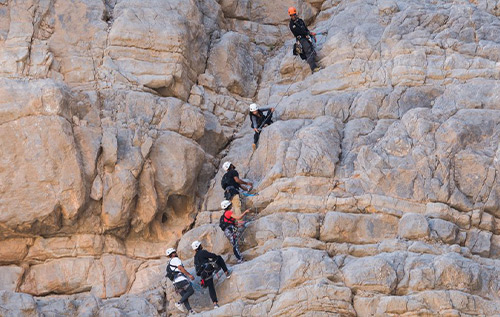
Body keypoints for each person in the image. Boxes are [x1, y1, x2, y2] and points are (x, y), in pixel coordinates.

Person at [192, 241, 232, 309]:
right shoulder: (203, 252)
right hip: (208, 269)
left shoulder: (195, 257)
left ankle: (215, 304)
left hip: (203, 275)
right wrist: (213, 259)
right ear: (199, 246)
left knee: (211, 287)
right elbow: (213, 256)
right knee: (219, 258)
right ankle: (226, 272)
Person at [288, 6, 319, 72]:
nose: (293, 16)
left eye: (294, 14)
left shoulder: (300, 21)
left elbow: (305, 28)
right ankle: (313, 68)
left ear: (295, 14)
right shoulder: (292, 25)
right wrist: (307, 34)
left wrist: (309, 33)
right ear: (290, 15)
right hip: (301, 39)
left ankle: (315, 65)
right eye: (291, 15)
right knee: (308, 51)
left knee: (312, 48)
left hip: (305, 37)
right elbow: (299, 31)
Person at [166, 248, 196, 314]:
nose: (176, 253)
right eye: (174, 252)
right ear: (172, 254)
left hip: (176, 283)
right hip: (181, 280)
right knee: (191, 290)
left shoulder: (170, 262)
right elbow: (180, 268)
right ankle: (179, 303)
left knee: (184, 296)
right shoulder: (175, 259)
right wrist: (189, 275)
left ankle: (190, 311)